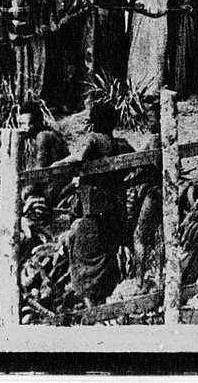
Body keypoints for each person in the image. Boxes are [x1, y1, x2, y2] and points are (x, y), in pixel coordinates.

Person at [63, 101, 135, 307]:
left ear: (93, 122)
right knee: (106, 258)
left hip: (93, 211)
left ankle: (92, 309)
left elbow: (78, 158)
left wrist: (57, 164)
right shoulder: (121, 144)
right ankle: (102, 306)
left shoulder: (93, 139)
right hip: (115, 212)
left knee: (86, 257)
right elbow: (139, 162)